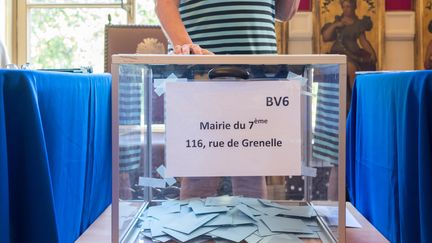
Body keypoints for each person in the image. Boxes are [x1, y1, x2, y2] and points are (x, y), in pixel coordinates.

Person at [155, 0, 300, 199]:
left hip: (257, 72)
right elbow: (164, 3)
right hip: (200, 69)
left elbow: (286, 12)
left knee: (251, 174)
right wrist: (187, 49)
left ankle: (253, 229)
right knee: (199, 174)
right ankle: (196, 230)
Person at [321, 0, 377, 109]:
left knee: (351, 68)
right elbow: (325, 37)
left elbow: (363, 41)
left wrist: (372, 54)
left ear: (354, 7)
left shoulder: (358, 24)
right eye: (344, 7)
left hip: (352, 54)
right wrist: (336, 25)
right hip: (337, 53)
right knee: (347, 66)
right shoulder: (338, 21)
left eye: (349, 6)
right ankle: (337, 101)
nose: (346, 9)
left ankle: (355, 99)